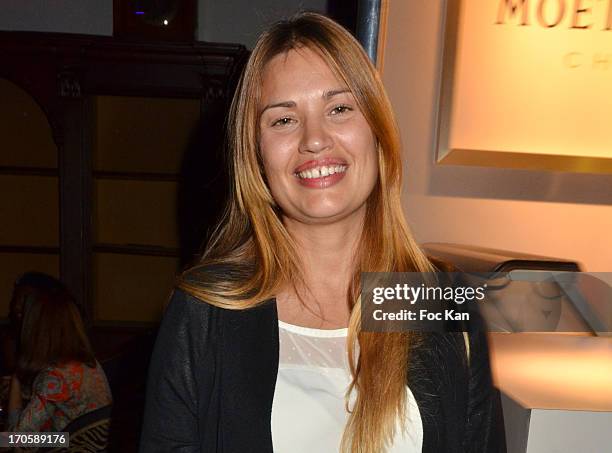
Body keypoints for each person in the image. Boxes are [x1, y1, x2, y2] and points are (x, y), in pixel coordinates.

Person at [140, 12, 505, 453]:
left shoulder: (435, 303)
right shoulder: (208, 311)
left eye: (339, 108)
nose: (314, 139)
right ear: (255, 155)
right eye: (283, 120)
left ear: (377, 132)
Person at [6, 272, 112, 449]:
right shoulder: (87, 364)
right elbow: (62, 436)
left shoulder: (55, 377)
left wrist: (16, 380)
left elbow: (15, 443)